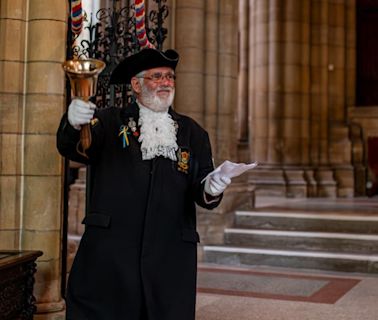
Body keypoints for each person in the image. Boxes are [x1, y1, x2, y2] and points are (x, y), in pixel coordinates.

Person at [57, 48, 231, 320]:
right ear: (136, 85)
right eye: (157, 76)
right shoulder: (107, 121)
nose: (166, 82)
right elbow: (75, 149)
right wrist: (72, 123)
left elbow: (201, 184)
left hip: (170, 255)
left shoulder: (193, 132)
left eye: (171, 77)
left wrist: (212, 188)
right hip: (113, 252)